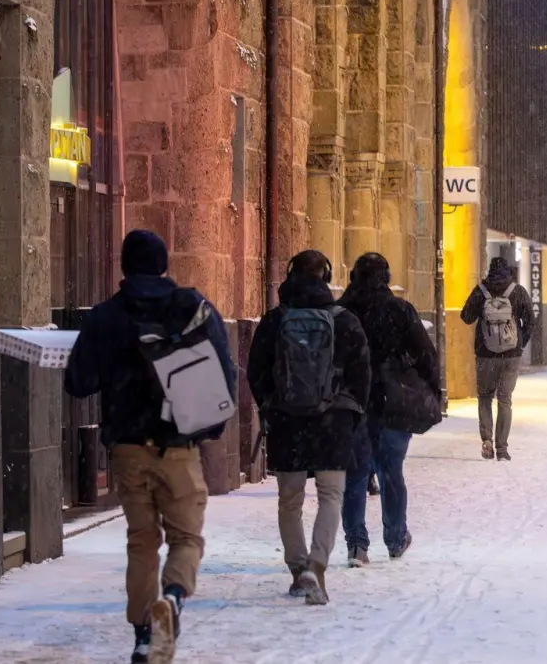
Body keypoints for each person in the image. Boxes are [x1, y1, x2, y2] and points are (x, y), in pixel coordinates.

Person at [64, 230, 237, 664]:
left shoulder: (106, 316)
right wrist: (208, 425)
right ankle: (173, 599)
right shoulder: (191, 307)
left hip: (127, 447)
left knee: (141, 539)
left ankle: (144, 634)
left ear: (124, 266)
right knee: (186, 537)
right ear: (164, 264)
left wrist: (115, 367)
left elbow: (77, 381)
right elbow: (224, 369)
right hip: (178, 443)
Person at [247, 250, 370, 605]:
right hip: (333, 421)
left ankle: (297, 567)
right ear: (326, 277)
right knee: (332, 495)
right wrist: (350, 413)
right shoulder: (345, 321)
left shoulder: (275, 320)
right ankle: (317, 565)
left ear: (289, 275)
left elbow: (256, 372)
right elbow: (362, 374)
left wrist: (271, 407)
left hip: (288, 420)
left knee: (290, 500)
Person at [338, 252, 441, 567]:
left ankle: (356, 544)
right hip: (392, 401)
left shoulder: (343, 312)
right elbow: (425, 354)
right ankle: (395, 539)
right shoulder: (399, 310)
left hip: (353, 401)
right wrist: (431, 389)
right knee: (391, 471)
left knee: (355, 476)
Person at [460, 256, 535, 460]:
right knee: (505, 400)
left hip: (485, 354)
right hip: (511, 355)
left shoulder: (481, 291)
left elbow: (465, 317)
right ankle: (502, 449)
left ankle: (486, 440)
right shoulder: (517, 291)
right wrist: (519, 342)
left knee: (485, 397)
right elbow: (530, 320)